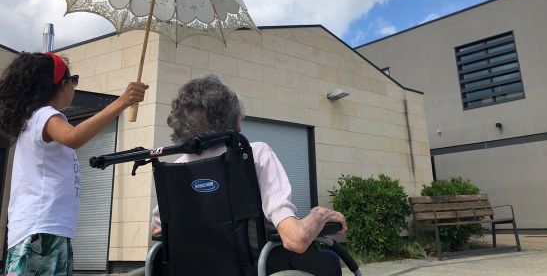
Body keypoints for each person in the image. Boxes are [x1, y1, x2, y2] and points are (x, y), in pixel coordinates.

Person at [151, 74, 347, 274]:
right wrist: (320, 214)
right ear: (235, 125)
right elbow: (295, 239)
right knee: (330, 259)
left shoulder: (178, 169)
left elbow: (158, 231)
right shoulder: (254, 154)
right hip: (255, 267)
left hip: (195, 270)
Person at [0, 52, 148, 276]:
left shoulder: (32, 118)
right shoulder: (46, 115)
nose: (75, 86)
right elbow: (74, 137)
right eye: (74, 79)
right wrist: (122, 102)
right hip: (43, 229)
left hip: (42, 228)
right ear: (61, 84)